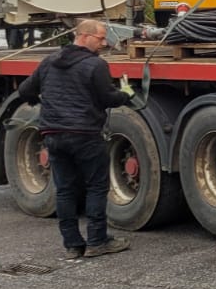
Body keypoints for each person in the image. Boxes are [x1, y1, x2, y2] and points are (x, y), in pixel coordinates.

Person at [16, 19, 134, 260]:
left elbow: (25, 91)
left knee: (65, 190)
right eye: (100, 38)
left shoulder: (49, 62)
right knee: (96, 187)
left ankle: (72, 245)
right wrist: (126, 95)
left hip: (53, 134)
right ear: (84, 36)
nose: (104, 43)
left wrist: (46, 101)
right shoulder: (95, 65)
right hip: (85, 135)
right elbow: (107, 98)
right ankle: (97, 241)